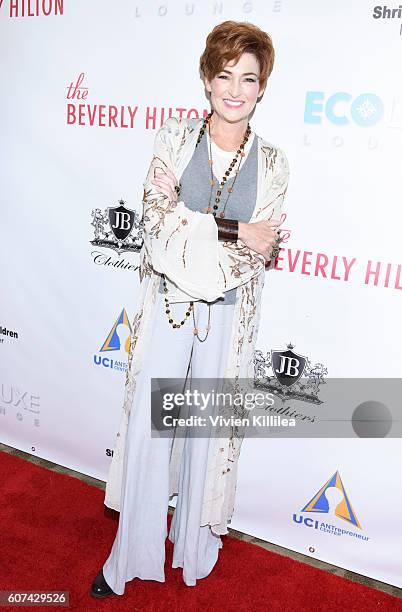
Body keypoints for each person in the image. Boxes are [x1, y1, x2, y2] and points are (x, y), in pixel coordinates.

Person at [90, 19, 289, 598]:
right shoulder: (175, 139)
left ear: (262, 87)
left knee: (205, 433)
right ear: (207, 79)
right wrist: (232, 230)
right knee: (151, 434)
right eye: (224, 75)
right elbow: (156, 221)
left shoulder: (274, 163)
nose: (235, 88)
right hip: (171, 308)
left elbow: (263, 250)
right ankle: (127, 556)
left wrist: (196, 230)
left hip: (226, 317)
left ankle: (194, 550)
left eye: (247, 78)